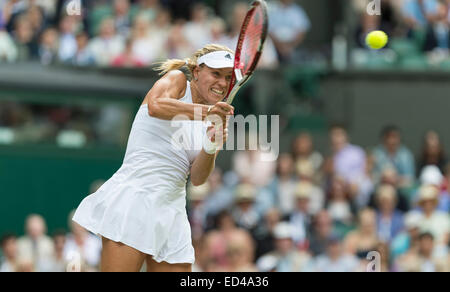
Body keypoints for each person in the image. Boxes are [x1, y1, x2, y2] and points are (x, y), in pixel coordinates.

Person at [72, 44, 235, 272]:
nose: (221, 82)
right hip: (135, 201)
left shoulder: (215, 121)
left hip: (173, 213)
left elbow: (198, 178)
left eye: (227, 77)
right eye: (215, 73)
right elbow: (155, 105)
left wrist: (211, 144)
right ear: (196, 72)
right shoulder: (177, 80)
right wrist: (206, 112)